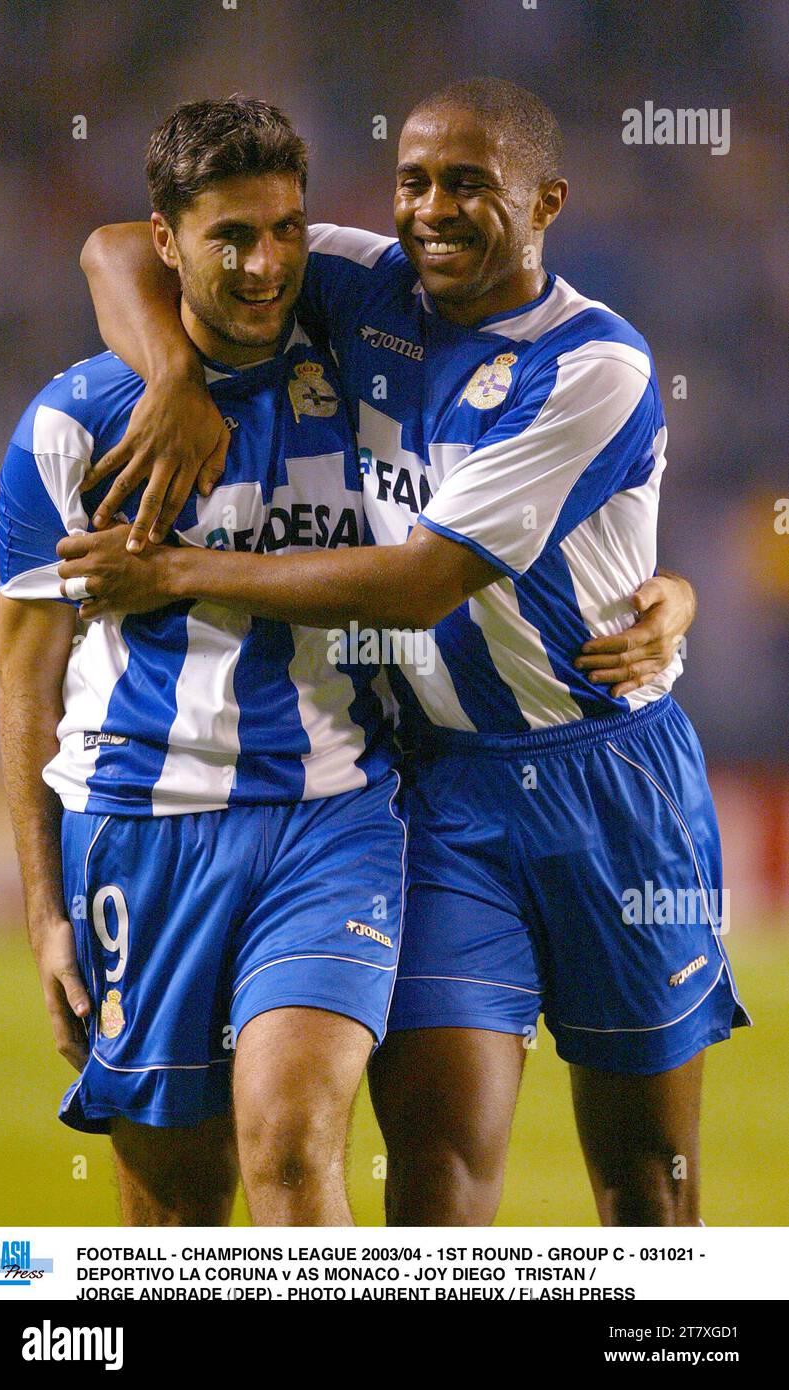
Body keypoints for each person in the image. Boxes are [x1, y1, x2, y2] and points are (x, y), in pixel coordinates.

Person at [70, 79, 745, 1228]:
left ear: (546, 201)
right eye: (413, 181)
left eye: (468, 184)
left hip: (610, 778)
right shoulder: (364, 283)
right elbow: (118, 246)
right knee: (431, 1184)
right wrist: (176, 380)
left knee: (645, 1184)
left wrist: (179, 570)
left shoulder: (594, 364)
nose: (430, 208)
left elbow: (425, 578)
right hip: (440, 796)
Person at [0, 96, 407, 1228]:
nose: (267, 262)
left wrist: (666, 592)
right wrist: (42, 907)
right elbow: (28, 673)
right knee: (177, 1213)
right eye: (230, 235)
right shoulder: (73, 426)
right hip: (139, 826)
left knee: (290, 1141)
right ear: (166, 240)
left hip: (333, 814)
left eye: (285, 228)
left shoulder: (366, 394)